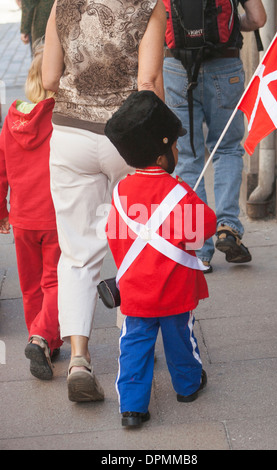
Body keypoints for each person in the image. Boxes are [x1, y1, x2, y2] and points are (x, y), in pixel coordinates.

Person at [42, 0, 167, 403]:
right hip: (124, 137)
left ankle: (79, 357)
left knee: (77, 252)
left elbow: (48, 79)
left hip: (70, 136)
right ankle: (133, 338)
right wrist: (164, 142)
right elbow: (148, 81)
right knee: (135, 242)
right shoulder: (149, 5)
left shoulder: (62, 4)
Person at [104, 90, 217, 428]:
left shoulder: (122, 191)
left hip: (137, 294)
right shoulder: (178, 192)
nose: (178, 150)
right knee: (181, 339)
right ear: (163, 154)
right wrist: (184, 195)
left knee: (134, 347)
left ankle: (133, 407)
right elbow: (205, 227)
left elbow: (114, 234)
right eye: (175, 146)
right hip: (175, 293)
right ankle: (187, 385)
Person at [163, 0, 267, 272]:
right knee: (228, 148)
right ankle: (227, 226)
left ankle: (199, 251)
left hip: (176, 68)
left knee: (187, 156)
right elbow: (258, 19)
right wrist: (229, 27)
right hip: (226, 64)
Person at [0, 42, 63, 380]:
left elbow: (1, 170)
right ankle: (43, 337)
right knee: (55, 280)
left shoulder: (11, 119)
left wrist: (1, 213)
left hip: (22, 217)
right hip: (53, 216)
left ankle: (43, 340)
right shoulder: (60, 120)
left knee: (30, 286)